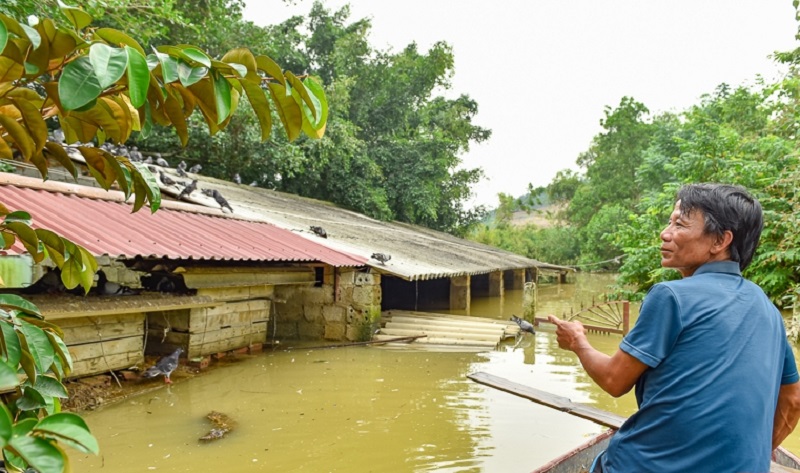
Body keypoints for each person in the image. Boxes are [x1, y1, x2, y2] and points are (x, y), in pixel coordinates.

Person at [549, 183, 800, 473]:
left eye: (679, 224)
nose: (665, 233)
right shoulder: (766, 307)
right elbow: (793, 400)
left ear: (720, 241)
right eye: (669, 222)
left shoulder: (671, 296)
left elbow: (613, 380)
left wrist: (578, 341)